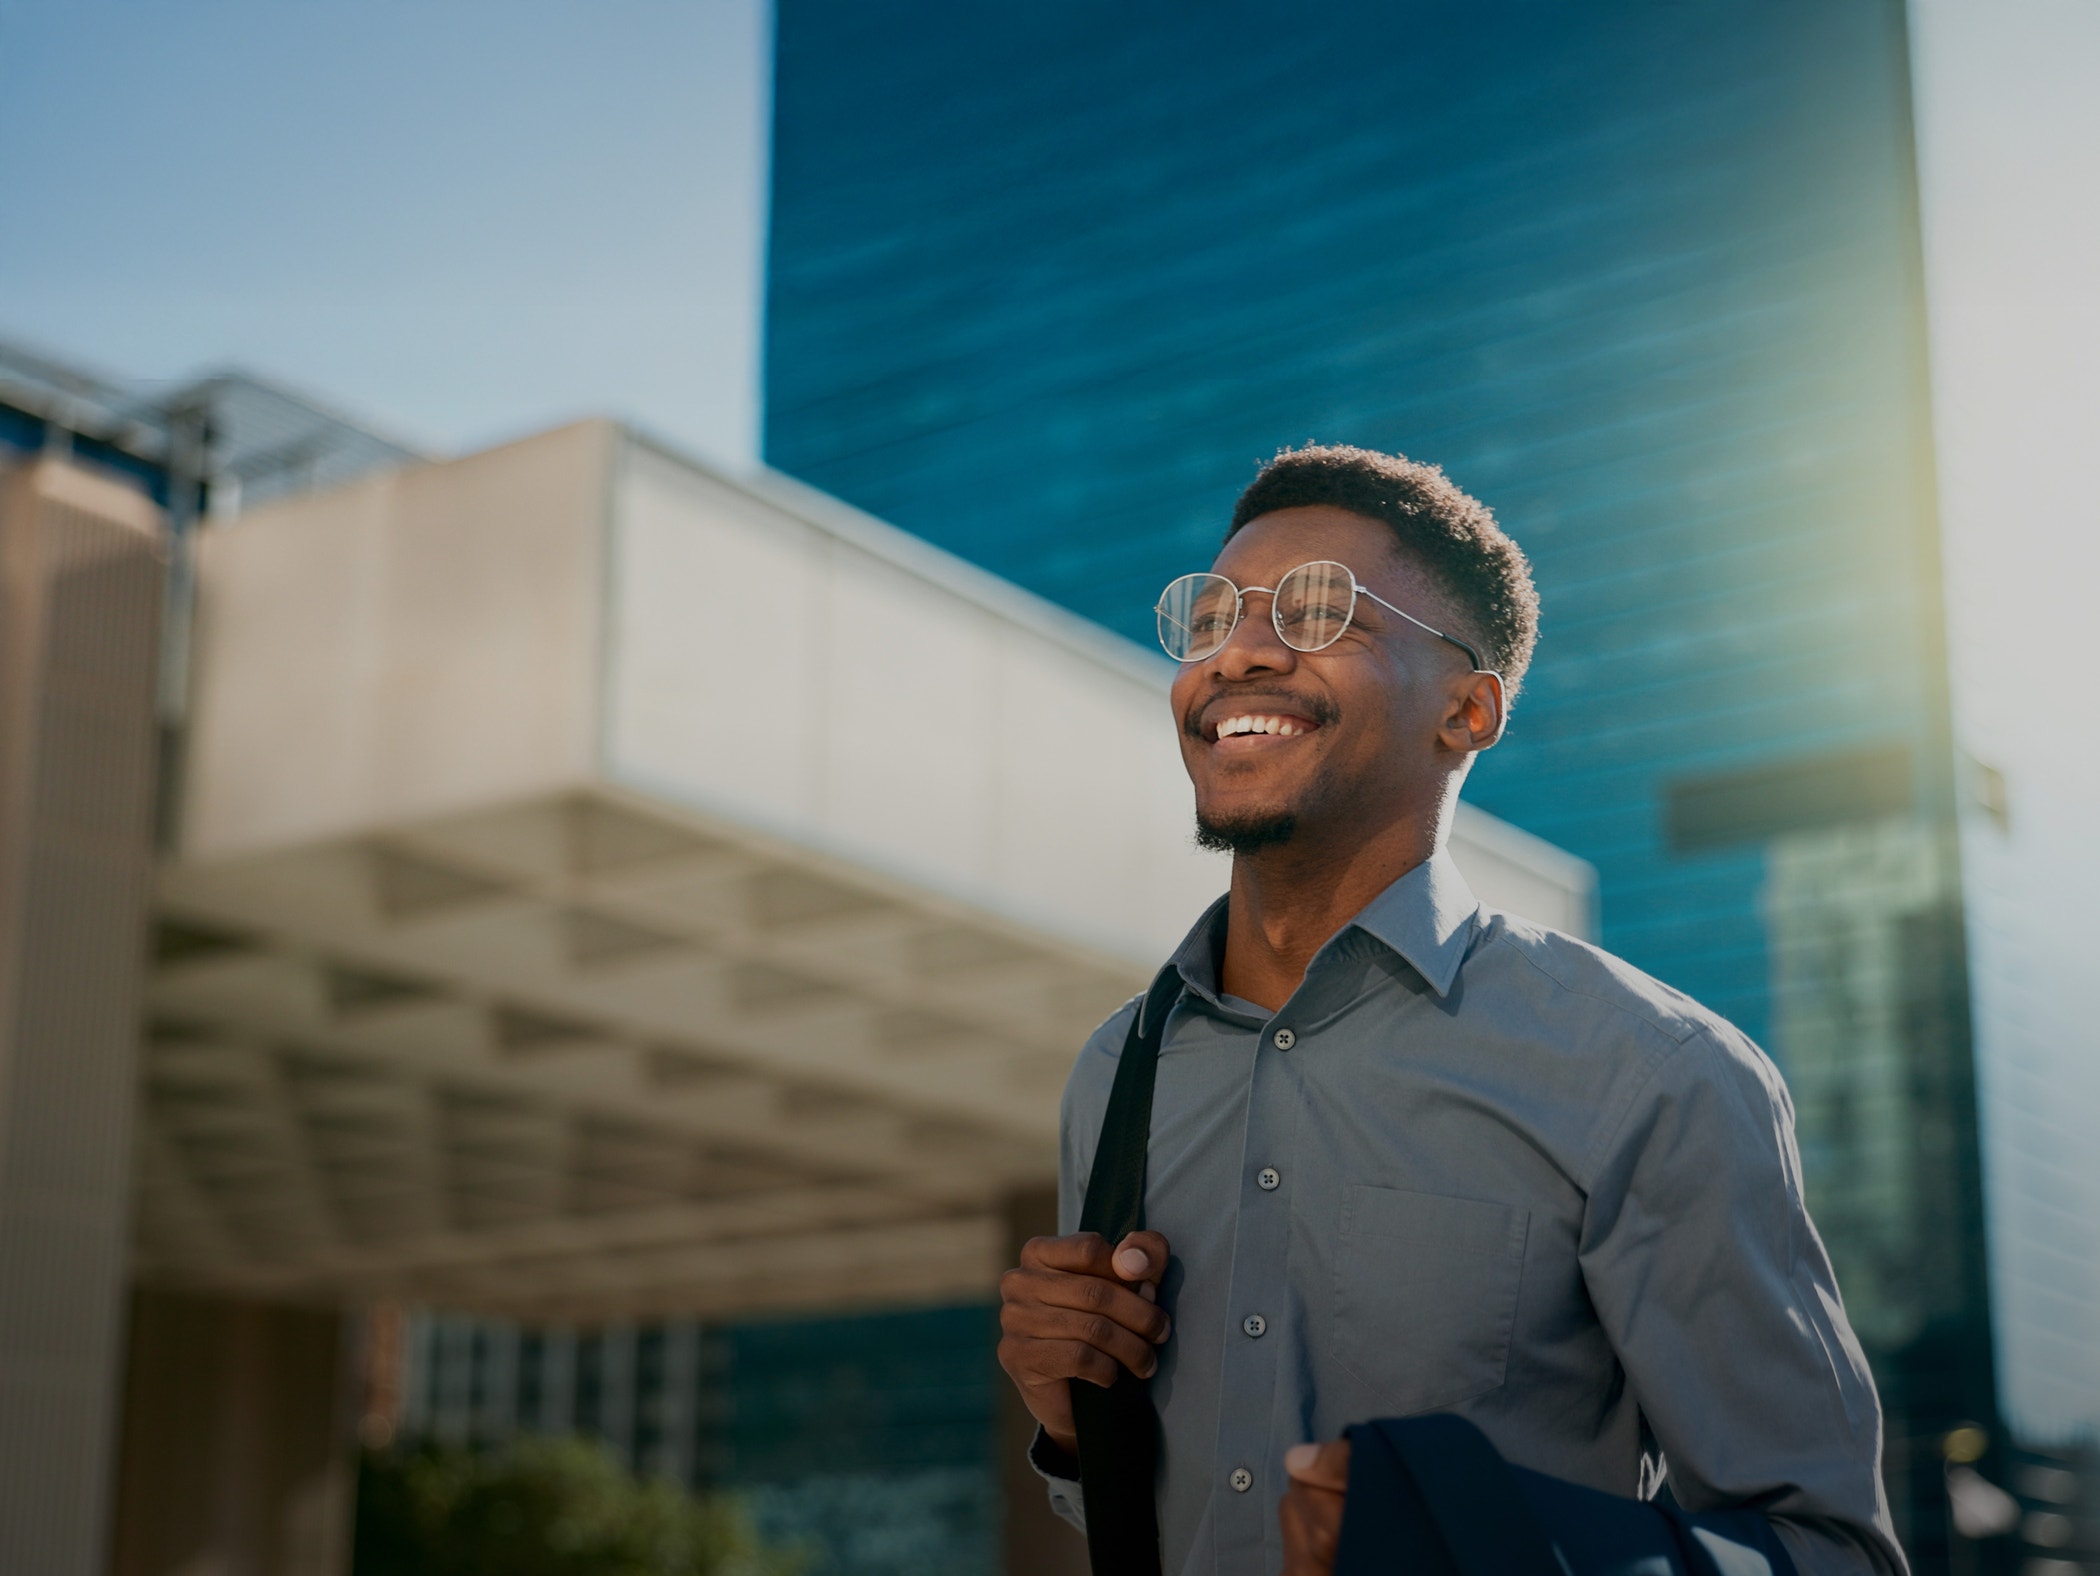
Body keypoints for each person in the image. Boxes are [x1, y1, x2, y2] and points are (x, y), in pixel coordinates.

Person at [994, 444, 1905, 1576]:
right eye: (1214, 615)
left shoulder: (1654, 1073)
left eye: (1321, 611)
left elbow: (1829, 1555)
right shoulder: (1118, 1070)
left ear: (1469, 710)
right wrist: (1076, 1427)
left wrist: (1484, 1548)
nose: (1242, 652)